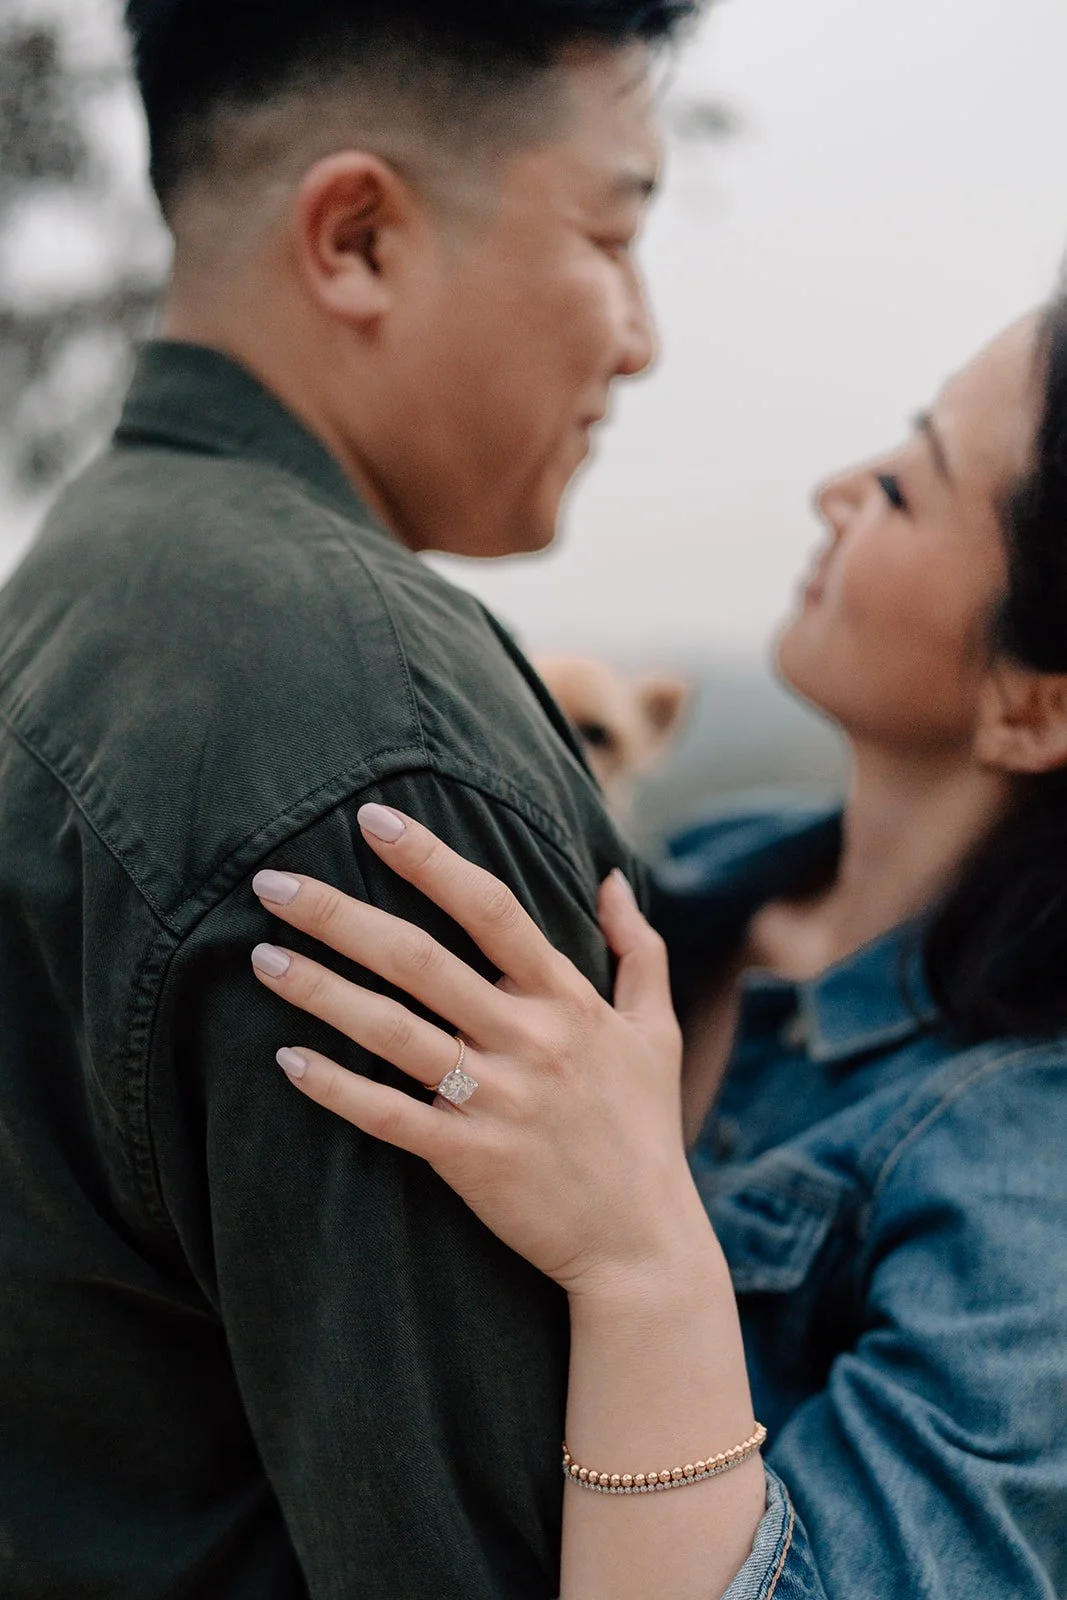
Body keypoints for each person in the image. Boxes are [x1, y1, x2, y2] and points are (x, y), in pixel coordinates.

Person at [0, 3, 703, 1596]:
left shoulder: (84, 576)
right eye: (610, 232)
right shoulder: (381, 761)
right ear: (361, 237)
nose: (642, 335)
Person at [252, 304, 1067, 1598]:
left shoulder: (1031, 1180)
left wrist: (639, 1259)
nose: (831, 491)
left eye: (906, 486)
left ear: (1034, 702)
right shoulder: (695, 883)